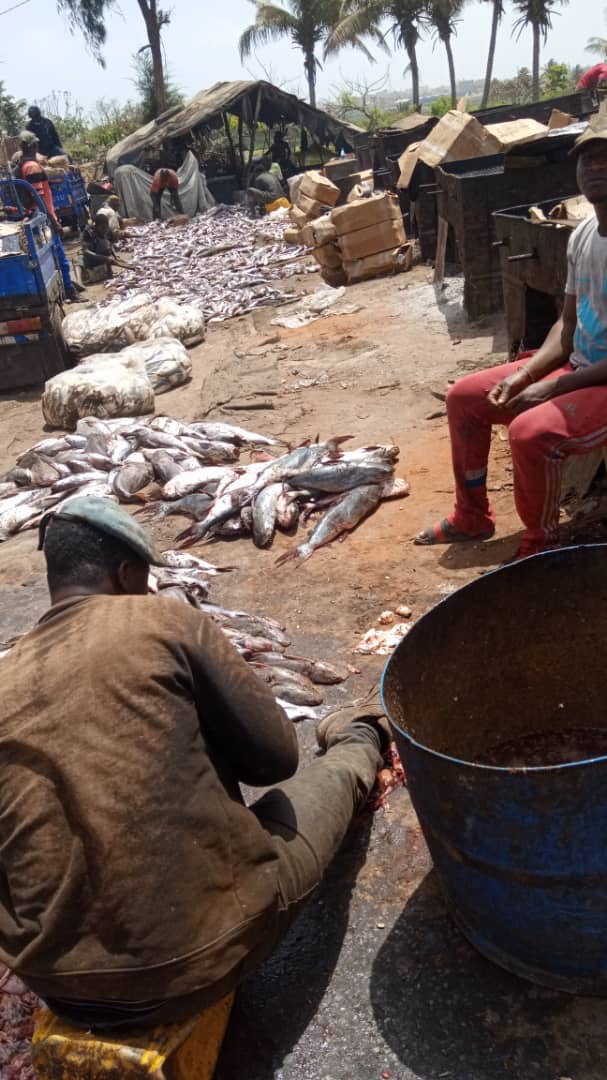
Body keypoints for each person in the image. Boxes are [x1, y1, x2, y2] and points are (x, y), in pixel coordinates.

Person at [0, 496, 388, 1029]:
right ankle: (363, 731)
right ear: (126, 572)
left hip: (61, 990)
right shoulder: (165, 620)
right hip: (205, 958)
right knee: (327, 781)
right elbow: (275, 760)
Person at [415, 115, 607, 562]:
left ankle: (541, 547)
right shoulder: (582, 236)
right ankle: (472, 515)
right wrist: (525, 375)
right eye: (588, 160)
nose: (595, 168)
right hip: (581, 369)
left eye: (606, 159)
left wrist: (554, 388)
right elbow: (566, 326)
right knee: (464, 398)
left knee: (529, 433)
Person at [15, 132, 82, 301]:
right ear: (32, 146)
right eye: (36, 145)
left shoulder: (21, 165)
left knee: (48, 256)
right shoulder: (32, 167)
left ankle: (64, 289)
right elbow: (39, 199)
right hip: (42, 218)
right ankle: (69, 291)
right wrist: (54, 222)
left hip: (34, 216)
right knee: (59, 255)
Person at [81, 213, 125, 279]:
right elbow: (85, 251)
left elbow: (109, 245)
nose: (105, 230)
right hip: (91, 259)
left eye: (106, 227)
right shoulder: (88, 232)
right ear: (96, 226)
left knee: (105, 245)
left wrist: (115, 257)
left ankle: (108, 270)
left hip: (102, 258)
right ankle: (80, 280)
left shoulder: (107, 230)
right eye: (103, 228)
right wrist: (104, 258)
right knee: (78, 259)